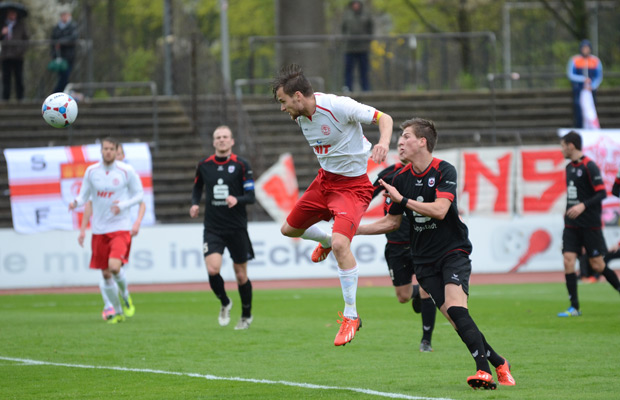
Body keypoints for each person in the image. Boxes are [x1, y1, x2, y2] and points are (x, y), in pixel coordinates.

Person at [357, 118, 515, 389]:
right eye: (400, 138)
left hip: (452, 251)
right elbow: (392, 223)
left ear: (422, 142)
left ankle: (483, 371)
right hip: (423, 260)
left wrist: (403, 200)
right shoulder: (399, 179)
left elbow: (441, 210)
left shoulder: (444, 170)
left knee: (456, 308)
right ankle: (500, 362)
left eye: (406, 137)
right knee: (456, 320)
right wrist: (354, 230)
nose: (400, 142)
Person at [272, 64, 393, 346]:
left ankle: (351, 315)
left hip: (352, 188)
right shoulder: (300, 117)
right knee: (288, 230)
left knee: (341, 245)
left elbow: (384, 118)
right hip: (324, 182)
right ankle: (325, 240)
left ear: (298, 96)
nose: (282, 108)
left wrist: (384, 143)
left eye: (283, 101)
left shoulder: (338, 106)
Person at [69, 137, 144, 324]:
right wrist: (75, 203)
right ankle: (117, 311)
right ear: (101, 151)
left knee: (114, 267)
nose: (108, 152)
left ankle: (125, 295)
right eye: (105, 149)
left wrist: (123, 205)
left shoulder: (126, 171)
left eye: (111, 149)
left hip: (120, 227)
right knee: (105, 274)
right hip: (99, 230)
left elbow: (139, 195)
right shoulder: (91, 171)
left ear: (116, 150)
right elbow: (84, 196)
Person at [189, 126, 256, 330]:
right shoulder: (204, 165)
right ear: (213, 142)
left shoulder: (242, 164)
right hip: (213, 227)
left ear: (232, 141)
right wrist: (194, 203)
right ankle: (225, 302)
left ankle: (246, 315)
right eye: (218, 137)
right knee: (212, 269)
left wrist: (237, 199)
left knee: (241, 275)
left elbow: (251, 196)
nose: (221, 140)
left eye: (225, 136)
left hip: (236, 227)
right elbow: (197, 187)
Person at [372, 160, 437, 352]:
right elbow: (368, 194)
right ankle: (417, 293)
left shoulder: (429, 173)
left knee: (427, 289)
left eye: (405, 145)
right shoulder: (389, 173)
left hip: (421, 243)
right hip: (395, 246)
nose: (402, 148)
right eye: (399, 145)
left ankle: (426, 340)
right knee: (403, 296)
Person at [558, 131, 620, 317]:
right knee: (568, 260)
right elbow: (573, 195)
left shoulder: (589, 166)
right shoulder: (568, 168)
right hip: (571, 225)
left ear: (571, 146)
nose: (561, 149)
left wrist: (582, 206)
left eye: (563, 146)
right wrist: (569, 209)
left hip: (590, 224)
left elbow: (601, 194)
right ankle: (574, 307)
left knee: (598, 265)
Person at [567, 39, 603, 129]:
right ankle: (579, 127)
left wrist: (593, 86)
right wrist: (583, 80)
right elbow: (570, 75)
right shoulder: (575, 60)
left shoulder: (595, 61)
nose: (585, 50)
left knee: (591, 109)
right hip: (579, 89)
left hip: (590, 90)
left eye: (587, 48)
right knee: (578, 109)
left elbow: (599, 76)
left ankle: (592, 128)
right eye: (584, 48)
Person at [341, 0, 373, 92]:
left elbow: (370, 28)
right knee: (348, 69)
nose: (355, 6)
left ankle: (365, 89)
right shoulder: (347, 15)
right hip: (349, 48)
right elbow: (343, 29)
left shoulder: (366, 15)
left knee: (364, 70)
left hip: (363, 48)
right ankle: (348, 87)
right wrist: (346, 38)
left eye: (357, 4)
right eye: (354, 4)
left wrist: (367, 40)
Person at [1, 7, 29, 101]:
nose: (12, 15)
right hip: (5, 56)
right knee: (6, 78)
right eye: (10, 13)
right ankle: (5, 99)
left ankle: (20, 98)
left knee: (19, 77)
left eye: (14, 14)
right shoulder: (3, 24)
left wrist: (21, 50)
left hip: (18, 56)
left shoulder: (21, 25)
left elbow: (26, 39)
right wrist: (2, 33)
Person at [50, 6, 79, 93]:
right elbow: (53, 40)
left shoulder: (72, 26)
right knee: (62, 77)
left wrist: (61, 42)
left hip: (69, 57)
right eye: (62, 15)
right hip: (59, 57)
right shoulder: (57, 28)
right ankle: (63, 94)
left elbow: (73, 38)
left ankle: (56, 93)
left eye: (65, 15)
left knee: (65, 77)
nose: (64, 17)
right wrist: (54, 54)